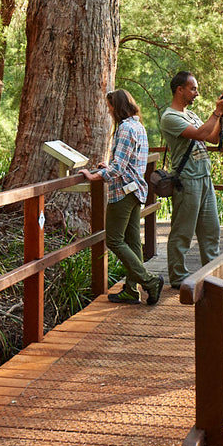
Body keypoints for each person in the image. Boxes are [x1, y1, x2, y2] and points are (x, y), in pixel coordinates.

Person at [80, 89, 164, 305]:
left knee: (114, 240)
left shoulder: (125, 128)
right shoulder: (139, 127)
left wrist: (94, 176)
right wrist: (109, 167)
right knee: (133, 242)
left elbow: (118, 167)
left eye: (110, 107)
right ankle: (130, 290)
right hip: (136, 190)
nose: (108, 111)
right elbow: (129, 162)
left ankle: (149, 281)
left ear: (117, 107)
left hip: (124, 191)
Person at [159, 71, 223, 289]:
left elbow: (212, 138)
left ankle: (214, 276)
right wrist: (216, 112)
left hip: (204, 178)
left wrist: (222, 117)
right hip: (187, 180)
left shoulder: (191, 115)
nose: (197, 93)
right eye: (193, 88)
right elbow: (200, 134)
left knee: (211, 230)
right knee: (182, 232)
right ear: (179, 89)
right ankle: (178, 277)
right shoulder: (170, 117)